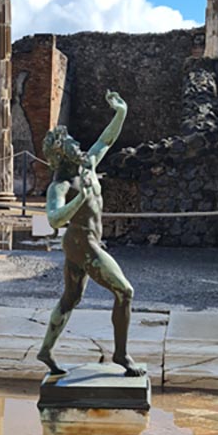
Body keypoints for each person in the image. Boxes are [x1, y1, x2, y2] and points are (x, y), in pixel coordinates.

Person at [37, 90, 145, 377]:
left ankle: (46, 350)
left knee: (70, 298)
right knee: (125, 292)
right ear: (61, 153)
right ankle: (121, 355)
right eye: (71, 142)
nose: (78, 143)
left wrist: (120, 112)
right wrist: (79, 200)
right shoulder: (59, 185)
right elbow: (53, 218)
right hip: (82, 245)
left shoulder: (87, 165)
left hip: (82, 244)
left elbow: (106, 140)